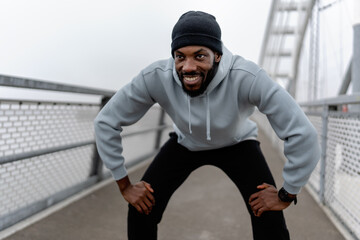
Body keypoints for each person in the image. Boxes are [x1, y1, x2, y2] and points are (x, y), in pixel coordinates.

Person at [94, 11, 320, 240]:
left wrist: (286, 194)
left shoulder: (246, 76)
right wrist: (124, 185)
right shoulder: (157, 77)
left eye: (199, 56)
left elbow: (304, 135)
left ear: (218, 55)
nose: (188, 67)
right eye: (180, 57)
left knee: (269, 218)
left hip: (238, 144)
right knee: (141, 209)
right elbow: (106, 121)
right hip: (186, 143)